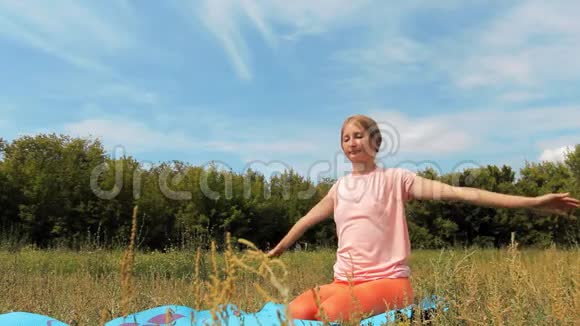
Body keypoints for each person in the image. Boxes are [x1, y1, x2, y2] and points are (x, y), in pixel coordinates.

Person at [267, 114, 579, 322]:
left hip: (389, 283)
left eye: (359, 135)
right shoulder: (340, 187)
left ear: (376, 142)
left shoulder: (396, 180)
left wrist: (532, 201)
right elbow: (307, 219)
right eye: (346, 137)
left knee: (332, 312)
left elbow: (461, 193)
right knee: (294, 311)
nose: (351, 142)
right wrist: (281, 246)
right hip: (342, 281)